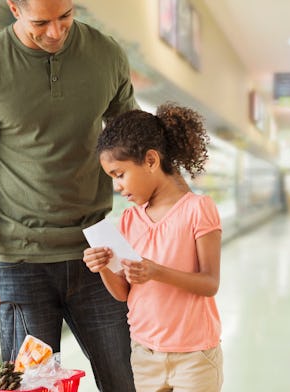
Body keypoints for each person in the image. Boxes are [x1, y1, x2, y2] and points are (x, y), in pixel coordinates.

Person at [0, 0, 137, 390]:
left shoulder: (106, 54)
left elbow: (131, 144)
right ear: (14, 7)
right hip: (20, 263)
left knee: (126, 380)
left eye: (65, 16)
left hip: (97, 253)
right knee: (31, 386)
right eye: (41, 22)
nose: (55, 32)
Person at [83, 103, 224, 392]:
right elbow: (123, 293)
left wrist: (156, 271)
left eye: (120, 174)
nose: (118, 186)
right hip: (145, 352)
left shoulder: (198, 209)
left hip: (194, 356)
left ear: (150, 160)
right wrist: (104, 268)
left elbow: (210, 283)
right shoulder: (128, 220)